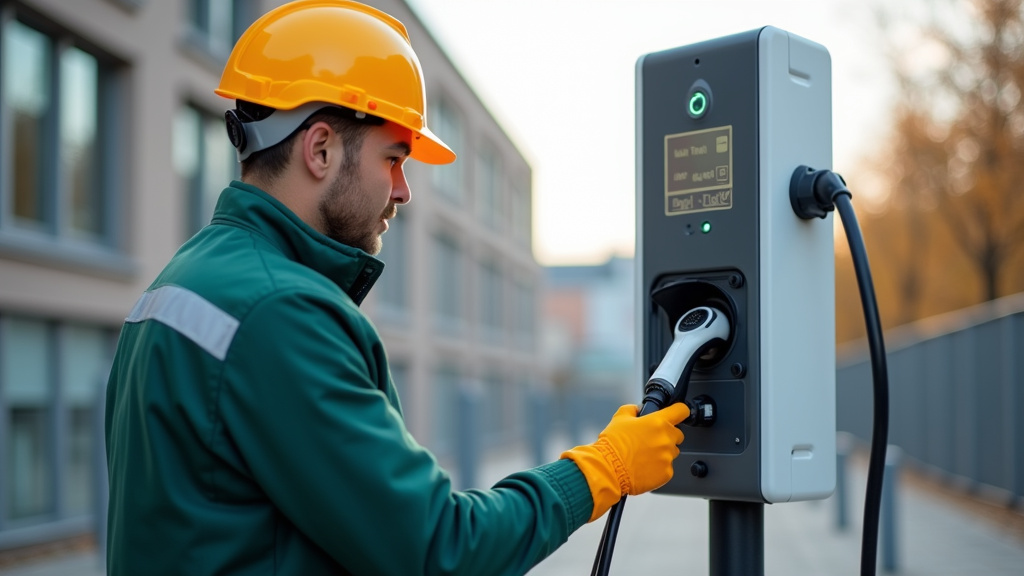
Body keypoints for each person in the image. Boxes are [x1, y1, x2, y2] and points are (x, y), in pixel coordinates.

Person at [104, 1, 691, 574]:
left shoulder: (183, 281)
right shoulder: (280, 312)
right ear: (321, 148)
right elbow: (440, 547)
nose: (404, 190)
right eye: (393, 158)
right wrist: (604, 467)